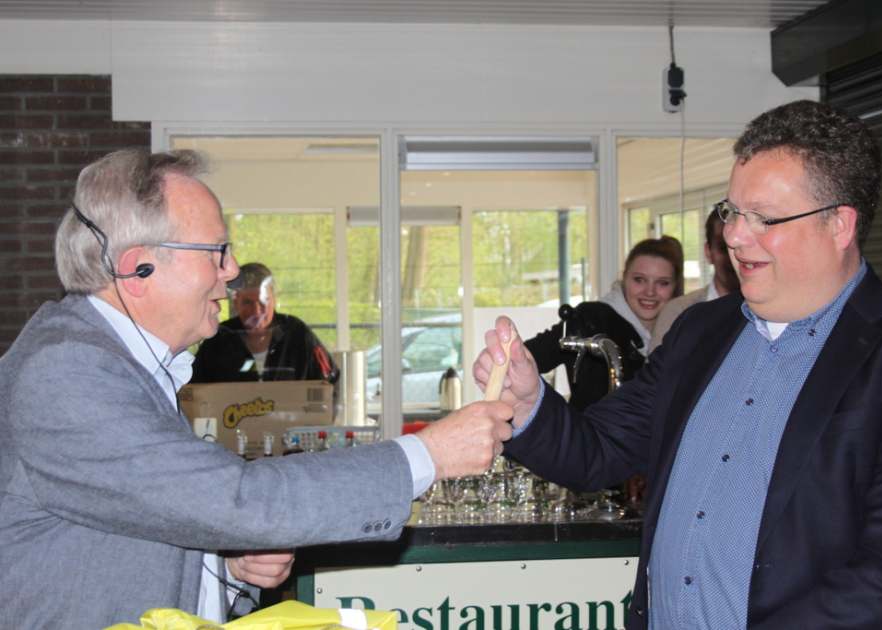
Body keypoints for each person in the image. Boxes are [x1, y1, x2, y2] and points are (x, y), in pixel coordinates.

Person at [475, 100, 882, 629]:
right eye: (732, 211)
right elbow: (600, 450)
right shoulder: (702, 330)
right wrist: (530, 399)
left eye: (764, 217)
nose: (735, 236)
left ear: (839, 224)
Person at [0, 149, 512, 629]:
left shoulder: (119, 363)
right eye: (216, 252)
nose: (229, 274)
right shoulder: (68, 371)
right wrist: (429, 454)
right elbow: (238, 499)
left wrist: (228, 568)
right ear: (138, 269)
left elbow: (158, 517)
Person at [524, 236, 683, 411]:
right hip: (589, 436)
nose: (650, 292)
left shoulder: (680, 331)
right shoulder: (592, 319)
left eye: (663, 283)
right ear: (624, 278)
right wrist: (552, 418)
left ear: (675, 286)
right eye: (639, 280)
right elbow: (526, 359)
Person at [191, 262, 339, 383]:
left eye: (263, 302)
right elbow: (195, 390)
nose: (256, 312)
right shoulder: (219, 339)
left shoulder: (297, 333)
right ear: (235, 303)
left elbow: (330, 380)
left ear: (274, 300)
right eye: (247, 302)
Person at [650, 209, 740, 349]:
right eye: (723, 248)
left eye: (739, 247)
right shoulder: (678, 312)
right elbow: (659, 370)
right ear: (708, 252)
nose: (733, 257)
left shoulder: (769, 314)